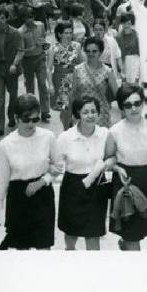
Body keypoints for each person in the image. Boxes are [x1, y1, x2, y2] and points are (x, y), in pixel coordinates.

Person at [0, 94, 58, 249]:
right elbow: (1, 179)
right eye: (26, 119)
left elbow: (57, 166)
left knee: (44, 247)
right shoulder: (6, 145)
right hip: (18, 198)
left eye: (35, 119)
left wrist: (43, 181)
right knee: (21, 249)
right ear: (16, 117)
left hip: (43, 197)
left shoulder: (49, 137)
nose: (31, 124)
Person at [56, 96, 115, 250]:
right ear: (77, 115)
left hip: (96, 189)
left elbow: (113, 156)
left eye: (94, 111)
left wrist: (107, 163)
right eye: (85, 112)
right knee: (71, 234)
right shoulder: (65, 137)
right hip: (72, 188)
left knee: (93, 235)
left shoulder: (105, 134)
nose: (90, 115)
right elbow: (55, 165)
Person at [109, 85, 147, 251]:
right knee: (131, 231)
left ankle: (127, 244)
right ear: (122, 107)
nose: (134, 108)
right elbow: (108, 159)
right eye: (128, 105)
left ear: (143, 103)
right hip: (125, 181)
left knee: (144, 227)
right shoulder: (115, 131)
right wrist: (116, 168)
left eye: (137, 103)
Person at [0, 8, 24, 139]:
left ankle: (12, 116)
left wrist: (15, 64)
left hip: (11, 69)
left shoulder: (15, 33)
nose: (0, 20)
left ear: (6, 18)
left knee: (13, 96)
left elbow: (21, 50)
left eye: (2, 18)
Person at [72, 37, 118, 128]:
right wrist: (72, 114)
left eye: (94, 51)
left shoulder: (108, 71)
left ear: (100, 52)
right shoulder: (77, 70)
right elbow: (73, 94)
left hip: (101, 114)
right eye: (88, 51)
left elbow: (117, 94)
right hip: (83, 112)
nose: (90, 54)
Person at [46, 20, 83, 130]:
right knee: (65, 109)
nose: (68, 35)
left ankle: (76, 127)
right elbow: (48, 68)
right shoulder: (53, 49)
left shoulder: (77, 46)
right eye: (66, 33)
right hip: (60, 80)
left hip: (75, 79)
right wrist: (50, 85)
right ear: (59, 34)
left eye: (70, 32)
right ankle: (67, 129)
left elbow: (81, 64)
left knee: (76, 106)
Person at [18, 6, 51, 123]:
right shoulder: (20, 32)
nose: (30, 20)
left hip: (40, 58)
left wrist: (45, 45)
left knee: (42, 84)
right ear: (23, 19)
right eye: (27, 18)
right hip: (27, 61)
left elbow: (44, 42)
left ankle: (45, 111)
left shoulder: (40, 25)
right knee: (30, 87)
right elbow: (22, 50)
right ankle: (32, 112)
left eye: (31, 17)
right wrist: (34, 46)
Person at [115, 13, 140, 84]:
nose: (126, 25)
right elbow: (117, 54)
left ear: (131, 23)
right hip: (124, 63)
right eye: (124, 23)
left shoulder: (136, 35)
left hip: (136, 63)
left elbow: (140, 52)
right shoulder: (118, 37)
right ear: (121, 24)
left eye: (128, 23)